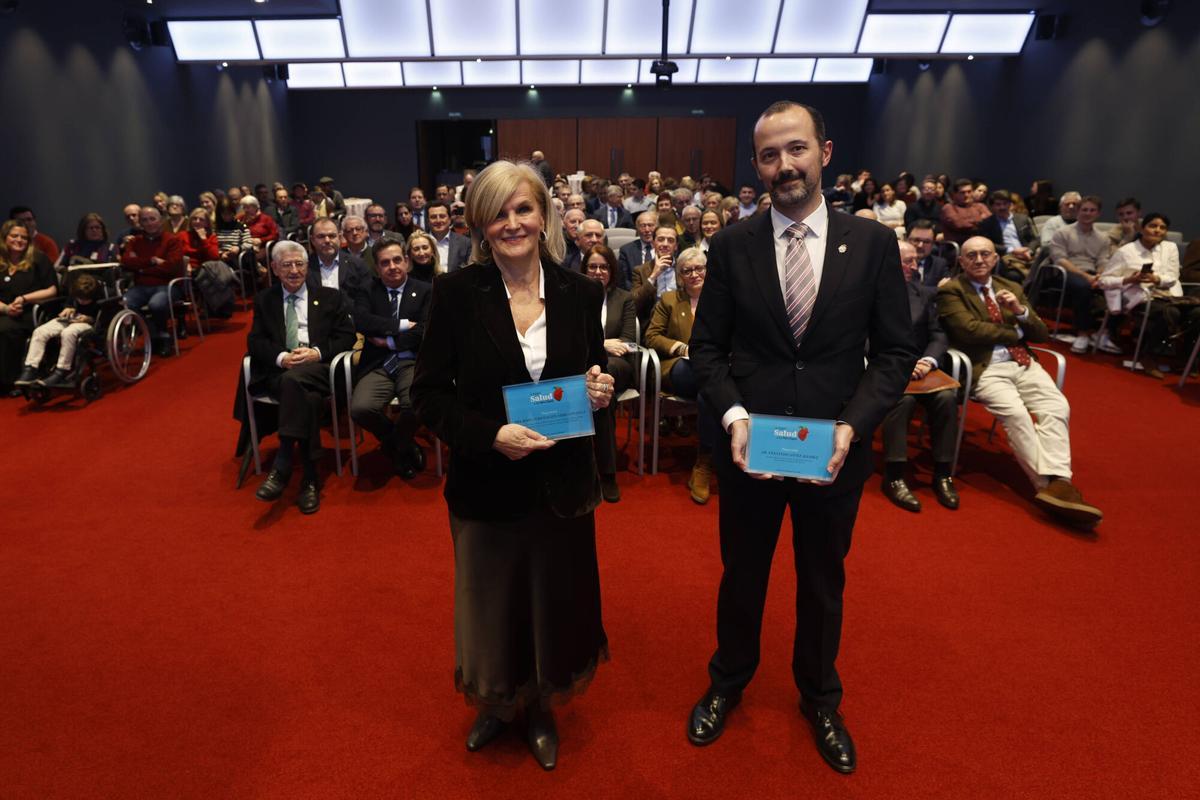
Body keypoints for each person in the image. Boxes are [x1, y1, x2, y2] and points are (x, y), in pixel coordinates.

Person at [686, 101, 917, 775]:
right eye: (767, 155)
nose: (783, 165)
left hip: (834, 451)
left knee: (822, 582)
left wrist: (853, 425)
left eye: (795, 149)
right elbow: (707, 350)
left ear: (825, 151)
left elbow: (897, 354)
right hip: (750, 451)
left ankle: (819, 698)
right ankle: (728, 682)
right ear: (754, 166)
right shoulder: (731, 246)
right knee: (742, 577)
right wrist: (732, 417)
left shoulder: (872, 244)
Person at [411, 159, 615, 771]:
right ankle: (498, 704)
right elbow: (428, 394)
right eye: (497, 213)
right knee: (491, 602)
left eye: (522, 209)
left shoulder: (583, 293)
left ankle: (542, 704)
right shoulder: (454, 294)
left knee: (555, 599)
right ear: (478, 223)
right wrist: (490, 434)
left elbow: (593, 371)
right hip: (487, 480)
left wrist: (600, 387)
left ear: (544, 214)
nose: (512, 223)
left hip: (561, 482)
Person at [937, 237, 1102, 527]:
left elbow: (1040, 333)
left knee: (1057, 407)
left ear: (995, 258)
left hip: (1024, 364)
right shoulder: (952, 291)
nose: (978, 259)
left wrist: (1020, 311)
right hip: (986, 368)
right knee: (1016, 415)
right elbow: (969, 331)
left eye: (985, 254)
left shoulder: (1011, 287)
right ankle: (1049, 487)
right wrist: (1016, 332)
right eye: (971, 255)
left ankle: (1058, 482)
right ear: (961, 262)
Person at [245, 240, 356, 514]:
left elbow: (347, 337)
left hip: (320, 369)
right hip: (282, 371)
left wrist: (317, 353)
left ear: (308, 266)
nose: (294, 270)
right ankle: (309, 478)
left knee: (295, 383)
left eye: (300, 264)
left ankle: (283, 462)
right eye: (286, 265)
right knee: (306, 397)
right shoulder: (265, 300)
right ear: (274, 268)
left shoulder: (330, 296)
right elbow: (255, 341)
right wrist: (282, 358)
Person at [879, 241, 959, 512]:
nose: (915, 267)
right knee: (902, 401)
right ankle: (895, 475)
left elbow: (939, 335)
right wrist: (900, 364)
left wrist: (927, 360)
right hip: (886, 368)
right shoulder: (867, 292)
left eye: (916, 261)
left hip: (922, 369)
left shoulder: (925, 294)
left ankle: (943, 473)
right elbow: (862, 339)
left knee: (947, 396)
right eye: (908, 262)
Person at [350, 238, 432, 477]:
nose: (393, 266)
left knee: (417, 404)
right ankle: (402, 444)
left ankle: (396, 447)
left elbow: (428, 328)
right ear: (377, 268)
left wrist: (390, 340)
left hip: (413, 361)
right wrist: (404, 324)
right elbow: (363, 321)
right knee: (361, 409)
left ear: (406, 261)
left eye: (397, 260)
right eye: (385, 263)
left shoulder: (426, 289)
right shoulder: (367, 290)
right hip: (378, 364)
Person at [645, 247, 717, 503]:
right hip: (681, 368)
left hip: (711, 372)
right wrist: (681, 347)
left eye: (699, 268)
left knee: (709, 390)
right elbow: (651, 336)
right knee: (711, 382)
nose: (694, 274)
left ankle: (704, 461)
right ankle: (706, 463)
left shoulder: (721, 299)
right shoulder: (669, 300)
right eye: (687, 270)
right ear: (680, 275)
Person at [1100, 212, 1193, 379]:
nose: (1158, 230)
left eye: (1162, 228)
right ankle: (1148, 355)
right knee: (1171, 312)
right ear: (1142, 229)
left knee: (1196, 314)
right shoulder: (1126, 251)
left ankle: (1187, 359)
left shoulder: (1170, 248)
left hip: (1169, 295)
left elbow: (1173, 277)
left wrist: (1156, 279)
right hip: (1140, 297)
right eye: (1153, 226)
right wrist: (1130, 279)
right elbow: (1105, 280)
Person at [583, 244, 636, 503]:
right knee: (603, 393)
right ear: (584, 269)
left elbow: (626, 341)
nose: (598, 271)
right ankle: (601, 467)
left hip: (618, 365)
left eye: (603, 267)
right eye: (592, 266)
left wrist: (598, 350)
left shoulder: (624, 298)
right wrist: (603, 344)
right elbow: (570, 339)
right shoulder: (573, 296)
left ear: (611, 270)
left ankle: (606, 473)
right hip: (585, 366)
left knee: (604, 379)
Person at [1048, 196, 1114, 354]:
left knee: (1118, 287)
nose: (1088, 213)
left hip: (1092, 274)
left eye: (1092, 210)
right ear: (1078, 211)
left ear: (1098, 214)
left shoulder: (1103, 238)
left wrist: (1100, 275)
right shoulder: (1062, 233)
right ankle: (1083, 333)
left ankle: (1104, 333)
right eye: (1084, 210)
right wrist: (1086, 276)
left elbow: (1103, 260)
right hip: (1065, 273)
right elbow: (1060, 260)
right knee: (1083, 286)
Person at [0, 219, 59, 394]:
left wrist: (24, 299)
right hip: (4, 310)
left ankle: (9, 381)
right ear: (5, 238)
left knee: (4, 330)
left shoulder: (38, 259)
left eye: (24, 237)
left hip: (31, 312)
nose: (19, 240)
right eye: (14, 236)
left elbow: (52, 290)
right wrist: (5, 309)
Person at [15, 273, 101, 389]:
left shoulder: (99, 297)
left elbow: (104, 318)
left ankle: (61, 370)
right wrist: (68, 308)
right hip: (70, 319)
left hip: (88, 323)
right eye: (79, 299)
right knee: (40, 331)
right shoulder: (76, 292)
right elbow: (68, 303)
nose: (81, 302)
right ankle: (30, 368)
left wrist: (89, 318)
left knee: (68, 333)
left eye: (85, 300)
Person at [119, 206, 184, 357]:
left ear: (160, 220)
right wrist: (152, 261)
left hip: (167, 285)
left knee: (157, 303)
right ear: (140, 223)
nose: (149, 223)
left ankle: (164, 336)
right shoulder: (135, 241)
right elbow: (127, 262)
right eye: (144, 220)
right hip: (142, 286)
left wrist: (141, 267)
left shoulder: (172, 240)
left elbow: (172, 268)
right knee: (125, 302)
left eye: (152, 219)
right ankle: (153, 334)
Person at [307, 218, 370, 309]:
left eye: (332, 236)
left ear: (340, 238)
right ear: (313, 240)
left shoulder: (357, 265)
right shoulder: (305, 267)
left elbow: (365, 302)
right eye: (321, 236)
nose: (327, 240)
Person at [979, 189, 1039, 282]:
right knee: (1015, 276)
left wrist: (1029, 251)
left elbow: (1035, 239)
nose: (1002, 207)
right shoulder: (987, 223)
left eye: (1005, 203)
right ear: (992, 206)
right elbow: (988, 244)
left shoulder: (1022, 219)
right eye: (998, 204)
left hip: (1027, 255)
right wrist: (1012, 250)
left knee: (1044, 271)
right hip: (1006, 257)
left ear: (1010, 204)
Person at [630, 224, 679, 330]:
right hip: (652, 326)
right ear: (653, 243)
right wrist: (654, 275)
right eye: (660, 239)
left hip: (679, 322)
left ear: (676, 246)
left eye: (670, 240)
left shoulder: (683, 268)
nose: (665, 244)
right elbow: (633, 304)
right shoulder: (640, 270)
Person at [939, 179, 992, 245]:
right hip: (959, 245)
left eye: (969, 192)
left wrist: (969, 222)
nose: (966, 195)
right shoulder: (948, 208)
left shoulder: (980, 206)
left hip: (981, 242)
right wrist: (980, 220)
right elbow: (960, 225)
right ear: (955, 194)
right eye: (962, 192)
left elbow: (990, 222)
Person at [618, 211, 658, 291]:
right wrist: (638, 293)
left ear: (657, 227)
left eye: (650, 225)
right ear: (637, 228)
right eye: (643, 226)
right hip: (635, 295)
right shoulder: (626, 251)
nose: (647, 230)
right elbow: (624, 279)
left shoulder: (664, 248)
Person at [426, 202, 471, 272]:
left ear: (450, 220)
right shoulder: (421, 242)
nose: (438, 220)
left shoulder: (465, 243)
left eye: (442, 216)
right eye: (433, 217)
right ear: (428, 221)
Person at [906, 220, 950, 287]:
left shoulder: (939, 265)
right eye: (916, 240)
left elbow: (946, 291)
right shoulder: (896, 262)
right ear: (906, 239)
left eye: (926, 242)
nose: (920, 245)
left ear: (933, 244)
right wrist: (937, 289)